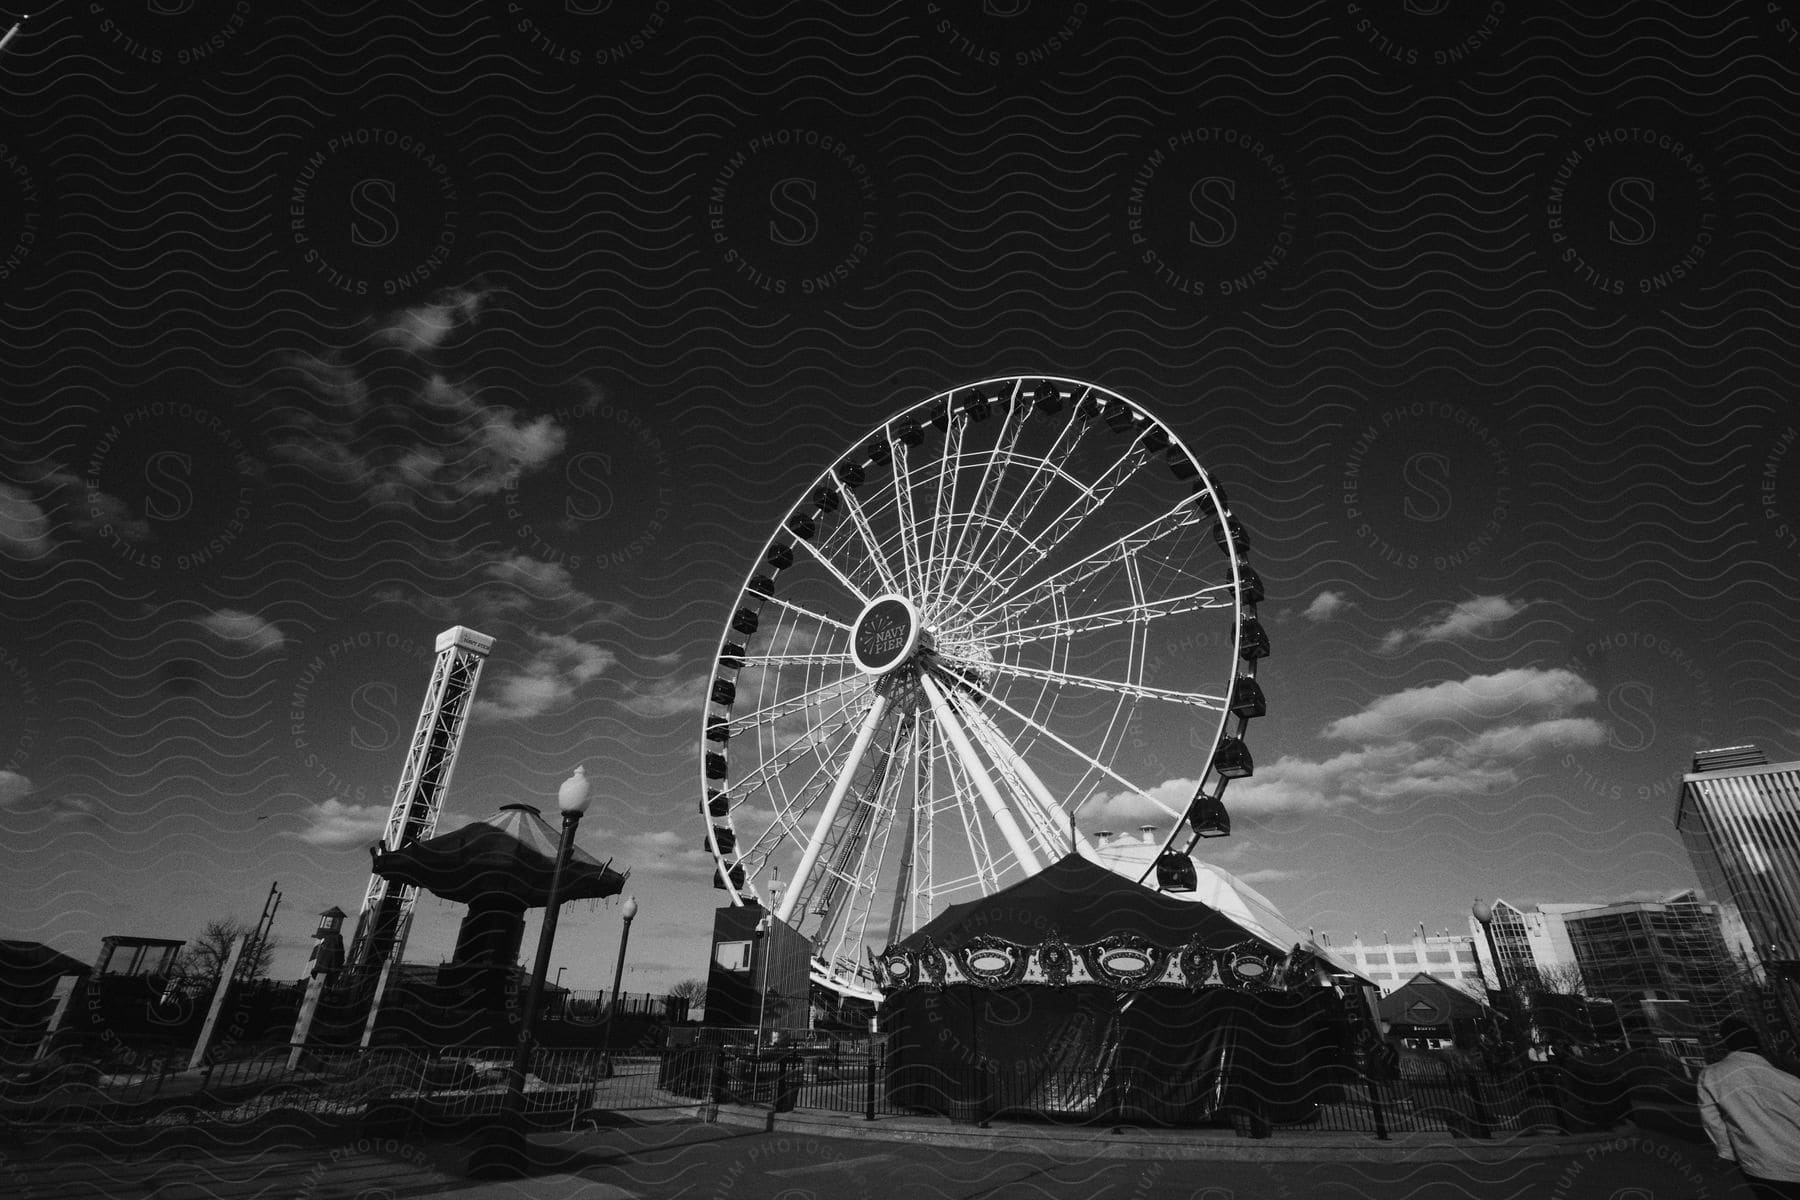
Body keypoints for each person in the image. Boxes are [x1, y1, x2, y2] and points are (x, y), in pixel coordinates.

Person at [1697, 1017, 1800, 1199]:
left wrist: (1728, 1153)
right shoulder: (1788, 1080)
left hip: (1758, 1164)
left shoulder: (1711, 1075)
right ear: (1757, 1043)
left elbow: (1713, 1122)